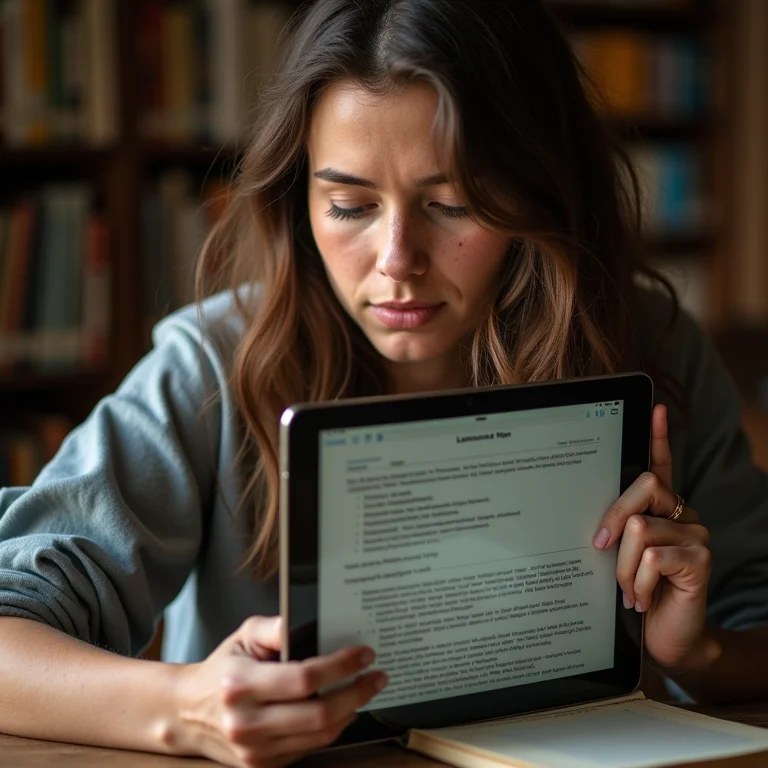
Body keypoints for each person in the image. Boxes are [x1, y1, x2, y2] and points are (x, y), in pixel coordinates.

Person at [1, 1, 767, 766]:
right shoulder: (211, 367)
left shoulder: (651, 347)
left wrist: (693, 651)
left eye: (451, 204)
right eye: (349, 205)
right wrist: (185, 706)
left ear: (541, 192)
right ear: (297, 204)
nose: (397, 258)